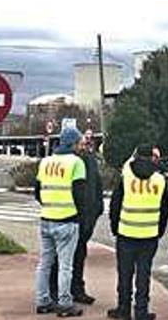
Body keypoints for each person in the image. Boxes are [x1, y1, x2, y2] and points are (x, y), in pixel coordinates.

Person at [108, 144, 168, 320]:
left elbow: (116, 204)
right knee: (144, 275)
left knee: (125, 274)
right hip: (149, 235)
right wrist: (159, 231)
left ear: (135, 156)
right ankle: (141, 311)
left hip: (126, 233)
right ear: (152, 157)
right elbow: (165, 209)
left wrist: (115, 227)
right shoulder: (159, 180)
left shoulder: (126, 177)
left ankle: (123, 310)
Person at [34, 127, 86, 317]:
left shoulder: (45, 162)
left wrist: (49, 204)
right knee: (66, 265)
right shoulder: (76, 162)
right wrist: (79, 215)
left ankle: (43, 301)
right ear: (73, 143)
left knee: (45, 263)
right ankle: (65, 303)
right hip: (67, 219)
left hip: (46, 218)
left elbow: (37, 192)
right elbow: (80, 193)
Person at [68, 133, 105, 306]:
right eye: (81, 143)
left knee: (79, 254)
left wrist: (97, 208)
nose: (84, 146)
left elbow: (97, 184)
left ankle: (76, 289)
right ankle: (60, 291)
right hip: (68, 216)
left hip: (85, 218)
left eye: (86, 143)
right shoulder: (68, 160)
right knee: (63, 257)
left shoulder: (90, 160)